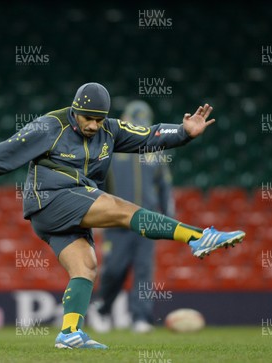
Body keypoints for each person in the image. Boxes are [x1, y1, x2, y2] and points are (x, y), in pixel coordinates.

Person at [0, 82, 245, 350]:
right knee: (123, 209)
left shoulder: (110, 129)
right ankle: (199, 237)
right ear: (75, 109)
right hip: (50, 199)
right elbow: (3, 154)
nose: (93, 125)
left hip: (69, 208)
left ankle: (69, 332)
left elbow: (149, 135)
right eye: (87, 118)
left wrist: (184, 133)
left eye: (98, 120)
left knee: (86, 266)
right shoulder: (49, 126)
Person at [88, 100, 173, 334]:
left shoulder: (156, 151)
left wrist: (168, 216)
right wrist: (94, 213)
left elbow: (165, 186)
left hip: (147, 221)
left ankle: (141, 318)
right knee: (114, 270)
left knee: (144, 271)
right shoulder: (111, 149)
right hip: (115, 220)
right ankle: (102, 309)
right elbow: (97, 183)